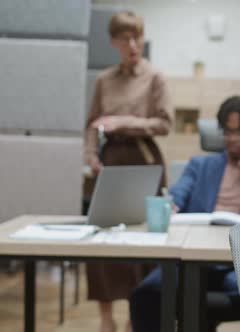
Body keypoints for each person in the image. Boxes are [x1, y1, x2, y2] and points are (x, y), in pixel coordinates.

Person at [129, 95, 240, 332]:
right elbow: (178, 194)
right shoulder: (199, 166)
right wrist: (169, 203)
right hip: (191, 262)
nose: (231, 139)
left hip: (237, 265)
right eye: (226, 132)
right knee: (145, 295)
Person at [84, 11, 172, 332]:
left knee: (143, 237)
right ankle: (105, 319)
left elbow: (165, 124)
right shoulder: (104, 80)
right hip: (110, 160)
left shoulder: (155, 78)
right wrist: (91, 155)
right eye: (125, 39)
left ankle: (137, 313)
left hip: (144, 159)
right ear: (113, 42)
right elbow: (91, 124)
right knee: (102, 236)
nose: (133, 44)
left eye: (137, 36)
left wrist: (123, 122)